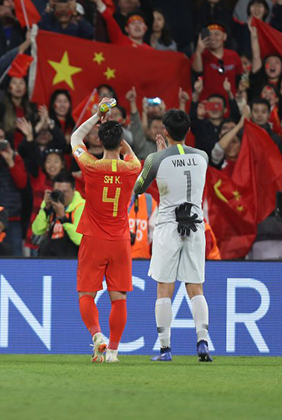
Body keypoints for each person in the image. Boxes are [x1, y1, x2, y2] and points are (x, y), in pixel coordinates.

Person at [134, 109, 211, 362]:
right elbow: (184, 162)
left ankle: (165, 349)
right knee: (195, 287)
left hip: (168, 225)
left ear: (165, 131)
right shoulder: (202, 156)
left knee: (164, 289)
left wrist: (159, 155)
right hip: (195, 225)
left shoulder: (156, 159)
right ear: (188, 131)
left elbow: (139, 187)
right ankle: (202, 342)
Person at [70, 98, 141, 363]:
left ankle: (97, 334)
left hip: (94, 238)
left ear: (98, 141)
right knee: (118, 296)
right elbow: (131, 154)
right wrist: (122, 144)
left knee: (86, 294)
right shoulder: (132, 167)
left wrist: (97, 114)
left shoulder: (90, 165)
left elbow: (75, 137)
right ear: (121, 142)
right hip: (120, 240)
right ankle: (112, 351)